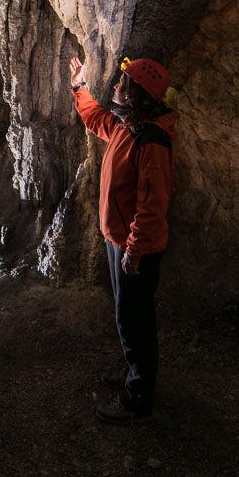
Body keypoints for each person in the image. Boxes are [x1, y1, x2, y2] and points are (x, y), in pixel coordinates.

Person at [68, 54, 176, 424]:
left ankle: (138, 399)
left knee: (136, 319)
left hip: (137, 249)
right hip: (121, 242)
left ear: (135, 94)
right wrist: (79, 86)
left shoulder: (152, 141)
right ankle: (135, 374)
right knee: (126, 313)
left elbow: (152, 206)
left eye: (122, 82)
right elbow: (96, 118)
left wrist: (134, 250)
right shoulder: (127, 126)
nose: (116, 85)